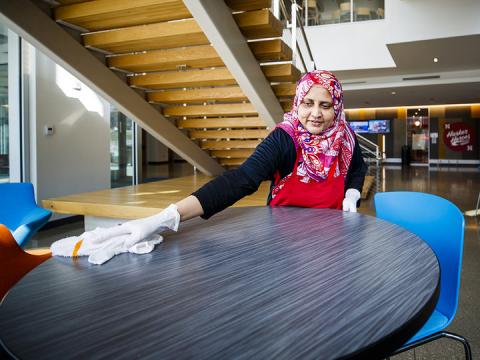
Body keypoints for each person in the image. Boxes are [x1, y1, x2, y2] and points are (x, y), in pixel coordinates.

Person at [51, 70, 367, 264]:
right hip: (283, 242)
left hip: (330, 237)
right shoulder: (285, 140)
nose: (315, 113)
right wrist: (166, 217)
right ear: (297, 103)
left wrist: (351, 193)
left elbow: (356, 169)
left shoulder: (346, 137)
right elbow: (240, 180)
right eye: (307, 103)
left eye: (325, 105)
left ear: (336, 107)